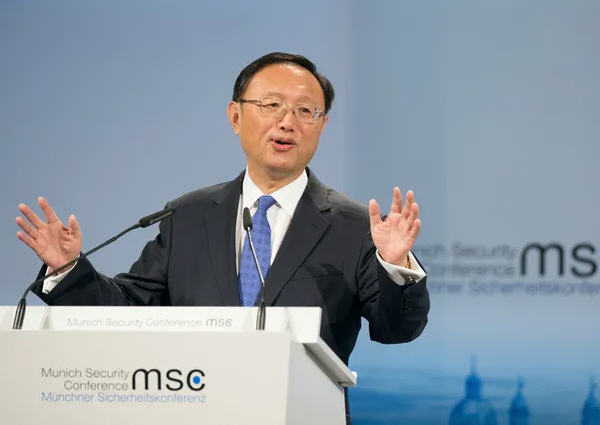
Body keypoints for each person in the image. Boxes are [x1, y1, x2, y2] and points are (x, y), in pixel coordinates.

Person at [16, 51, 429, 382]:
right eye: (271, 105)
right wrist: (68, 270)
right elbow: (127, 310)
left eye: (306, 111)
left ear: (322, 126)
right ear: (235, 116)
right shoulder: (187, 216)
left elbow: (396, 329)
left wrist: (395, 265)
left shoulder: (354, 226)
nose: (287, 122)